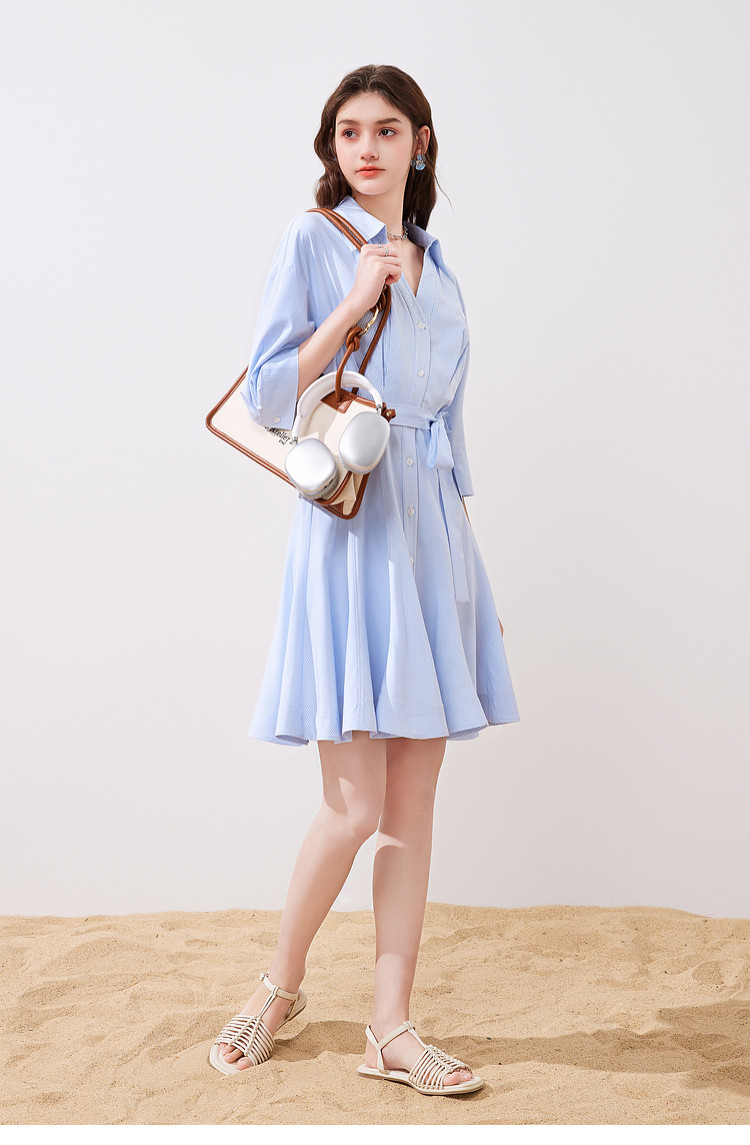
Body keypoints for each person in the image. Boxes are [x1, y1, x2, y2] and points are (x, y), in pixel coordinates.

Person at [208, 64, 520, 1096]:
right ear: (332, 146)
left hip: (435, 546)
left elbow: (451, 434)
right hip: (352, 537)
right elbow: (265, 394)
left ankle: (391, 1027)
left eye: (387, 130)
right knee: (350, 803)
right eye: (349, 131)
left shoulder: (441, 265)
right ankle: (276, 987)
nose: (367, 148)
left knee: (411, 807)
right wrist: (350, 303)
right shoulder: (312, 241)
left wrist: (472, 582)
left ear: (420, 142)